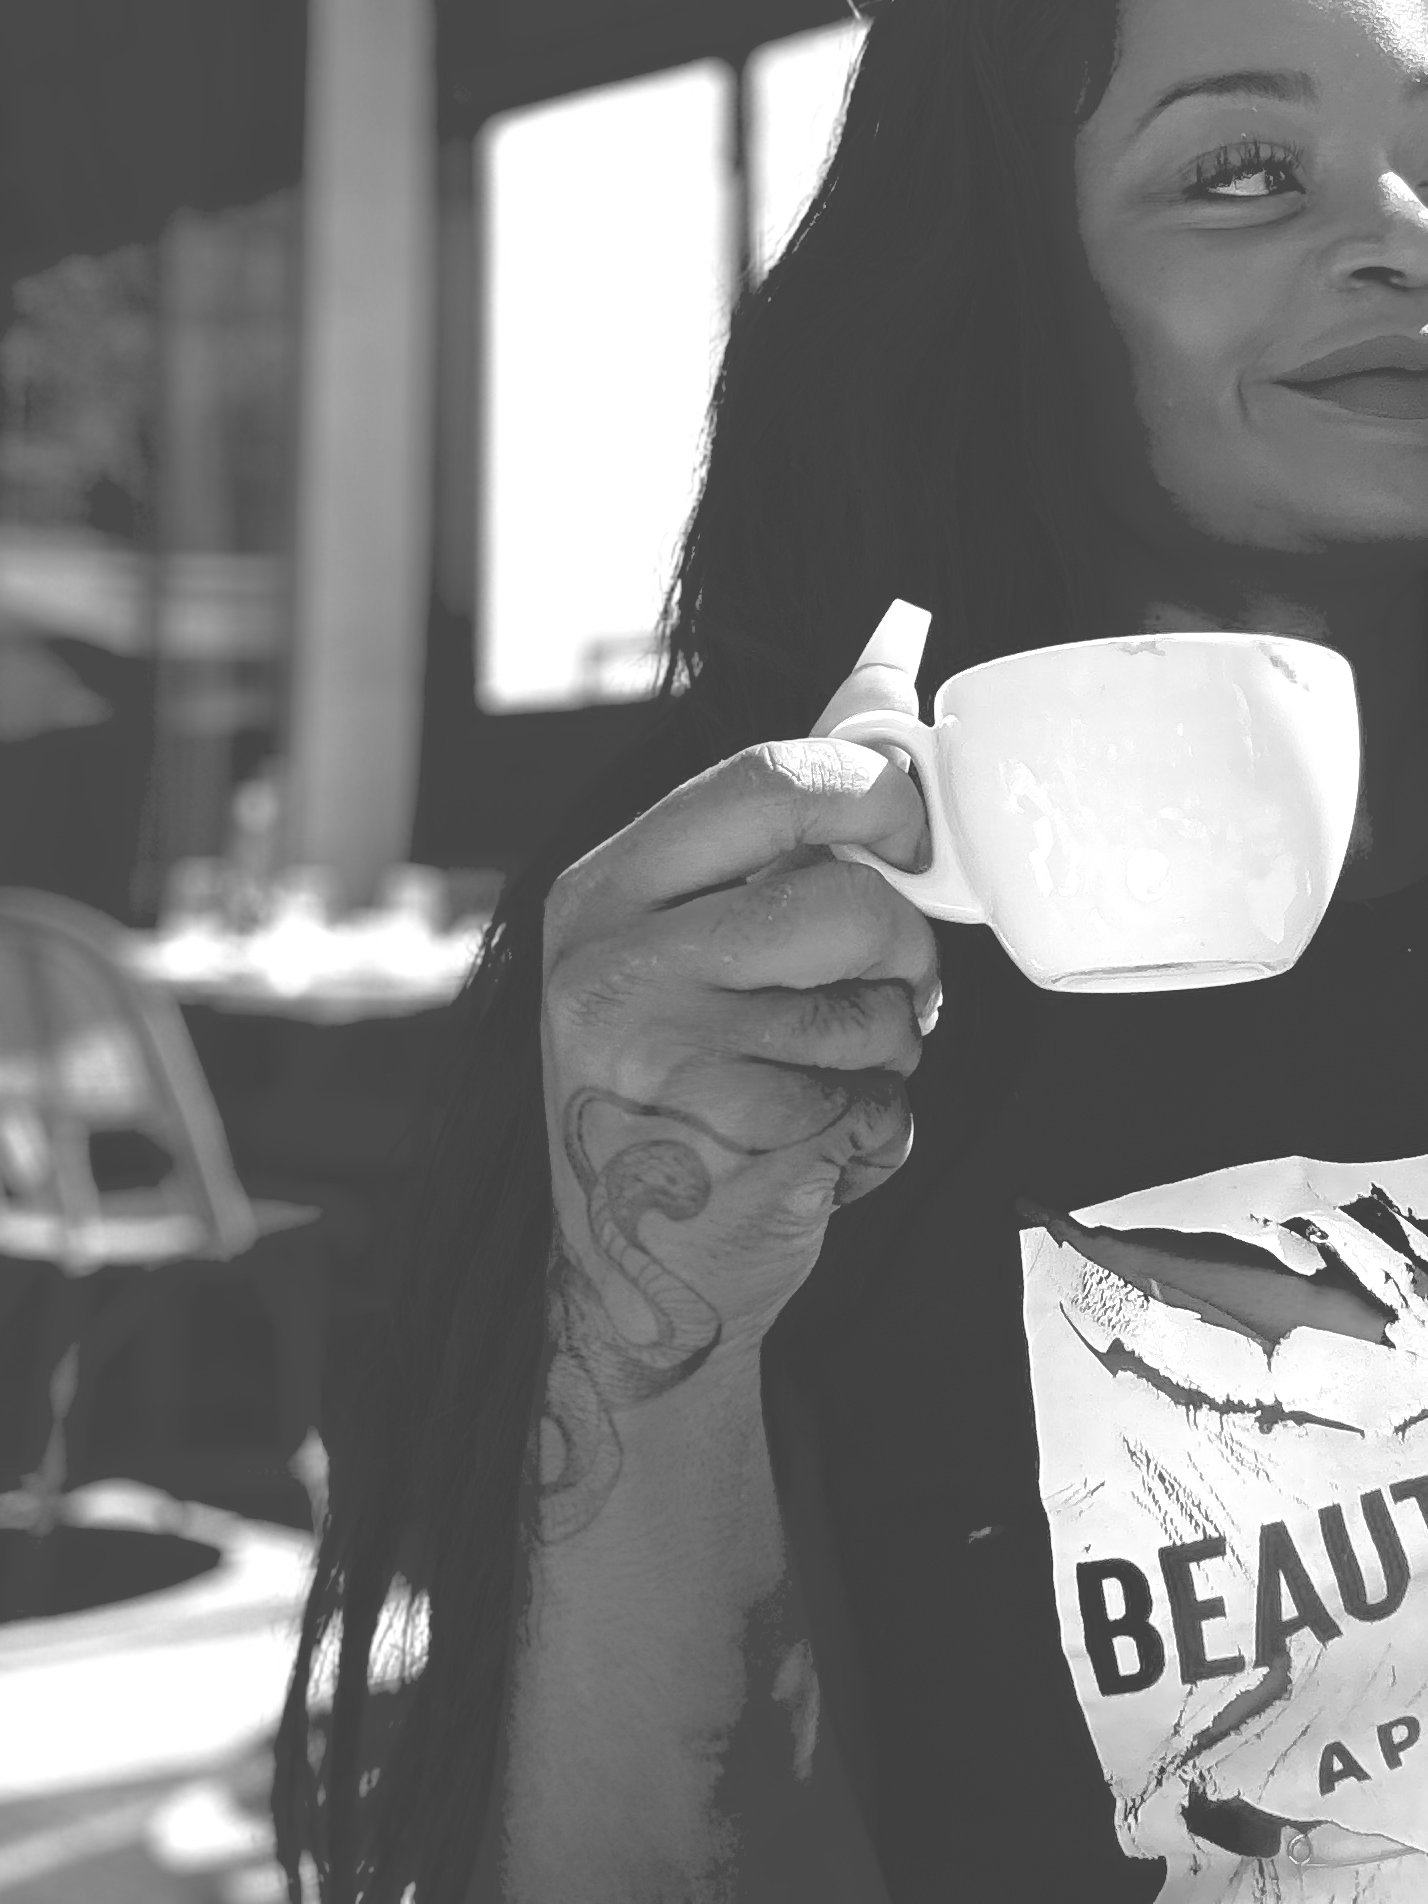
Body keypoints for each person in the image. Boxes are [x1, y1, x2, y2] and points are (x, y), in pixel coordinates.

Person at [269, 0, 1428, 1896]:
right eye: (1240, 171)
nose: (1406, 230)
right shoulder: (743, 962)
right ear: (1003, 285)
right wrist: (665, 1317)